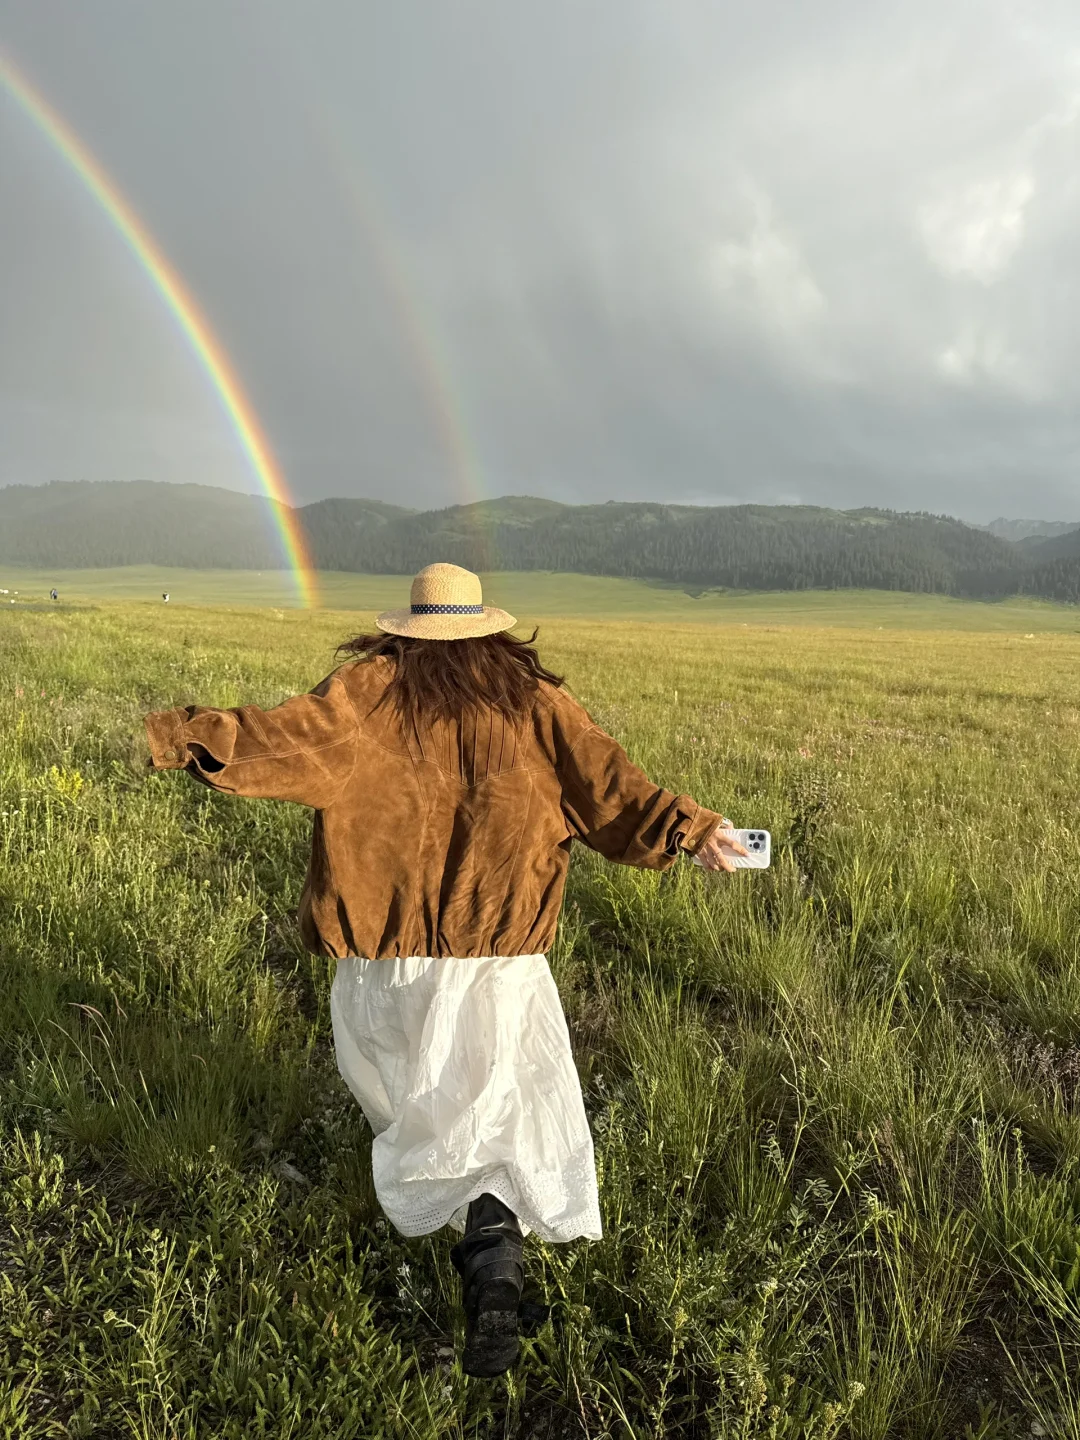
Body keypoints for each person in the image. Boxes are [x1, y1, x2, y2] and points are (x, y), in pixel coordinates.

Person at [143, 562, 747, 1376]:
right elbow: (614, 791)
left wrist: (180, 733)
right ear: (489, 629)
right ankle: (494, 1256)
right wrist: (692, 829)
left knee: (432, 1120)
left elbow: (280, 739)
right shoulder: (535, 705)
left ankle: (487, 1258)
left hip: (386, 966)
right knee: (502, 1118)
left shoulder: (368, 694)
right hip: (501, 964)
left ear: (407, 627)